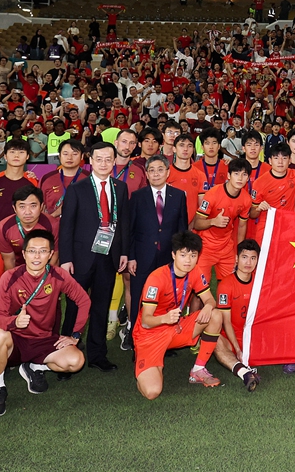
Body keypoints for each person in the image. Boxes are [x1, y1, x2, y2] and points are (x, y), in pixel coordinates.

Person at [0, 229, 89, 417]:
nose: (37, 256)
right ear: (23, 254)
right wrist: (15, 321)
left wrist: (75, 335)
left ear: (50, 255)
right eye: (32, 251)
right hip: (16, 340)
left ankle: (35, 367)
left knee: (76, 361)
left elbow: (84, 300)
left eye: (43, 251)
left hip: (44, 340)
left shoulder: (58, 276)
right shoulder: (10, 277)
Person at [58, 141, 132, 373]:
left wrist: (124, 252)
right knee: (74, 306)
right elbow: (66, 226)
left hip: (108, 257)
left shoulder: (121, 188)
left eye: (108, 159)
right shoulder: (77, 189)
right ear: (90, 161)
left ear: (113, 161)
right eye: (98, 159)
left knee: (101, 305)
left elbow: (124, 224)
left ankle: (98, 355)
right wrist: (66, 258)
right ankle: (64, 354)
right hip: (80, 258)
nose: (103, 163)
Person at [133, 231, 225, 399]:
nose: (188, 260)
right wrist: (165, 319)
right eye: (183, 255)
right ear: (173, 255)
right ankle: (148, 368)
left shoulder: (195, 271)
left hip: (176, 326)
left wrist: (208, 307)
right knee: (152, 392)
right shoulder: (157, 278)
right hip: (150, 334)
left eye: (193, 255)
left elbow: (210, 300)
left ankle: (198, 369)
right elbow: (146, 321)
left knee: (215, 315)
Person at [125, 154, 188, 347]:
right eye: (151, 170)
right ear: (146, 173)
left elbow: (182, 230)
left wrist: (179, 259)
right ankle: (136, 340)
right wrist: (131, 257)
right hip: (142, 259)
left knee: (166, 301)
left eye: (160, 169)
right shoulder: (137, 196)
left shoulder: (178, 196)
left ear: (168, 172)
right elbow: (130, 230)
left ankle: (164, 341)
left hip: (167, 259)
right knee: (139, 300)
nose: (156, 173)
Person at [0, 138, 42, 278]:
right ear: (5, 155)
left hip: (23, 244)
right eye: (12, 152)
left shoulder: (33, 182)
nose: (16, 156)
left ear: (27, 156)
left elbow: (38, 214)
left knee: (21, 286)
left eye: (21, 152)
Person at [211, 239, 262, 391]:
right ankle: (244, 372)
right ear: (236, 259)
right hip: (231, 337)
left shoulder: (260, 282)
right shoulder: (226, 285)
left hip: (254, 337)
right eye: (245, 257)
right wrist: (237, 348)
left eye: (253, 258)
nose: (248, 262)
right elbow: (226, 322)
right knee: (214, 340)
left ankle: (291, 361)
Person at [194, 159, 251, 278]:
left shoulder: (246, 199)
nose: (240, 178)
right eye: (236, 173)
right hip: (206, 247)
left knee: (230, 283)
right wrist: (213, 221)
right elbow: (197, 223)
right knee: (199, 287)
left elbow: (242, 226)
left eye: (244, 174)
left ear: (248, 178)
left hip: (226, 247)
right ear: (229, 175)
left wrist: (239, 251)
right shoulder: (213, 194)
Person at [0, 186, 57, 271]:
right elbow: (9, 261)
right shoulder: (3, 227)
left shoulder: (53, 224)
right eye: (22, 206)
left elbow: (54, 257)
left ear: (41, 206)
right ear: (14, 208)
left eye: (33, 206)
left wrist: (44, 279)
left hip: (45, 271)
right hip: (18, 271)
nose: (28, 212)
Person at [39, 139, 87, 220]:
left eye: (74, 154)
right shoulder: (47, 178)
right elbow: (39, 206)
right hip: (53, 228)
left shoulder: (89, 178)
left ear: (82, 156)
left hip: (81, 228)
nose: (69, 157)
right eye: (65, 154)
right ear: (59, 156)